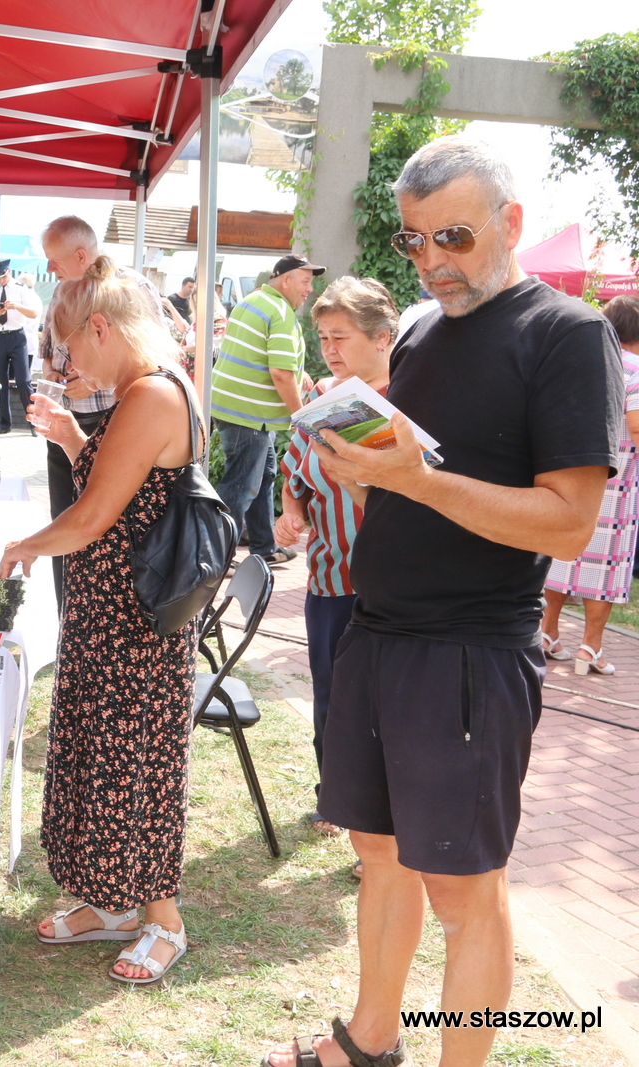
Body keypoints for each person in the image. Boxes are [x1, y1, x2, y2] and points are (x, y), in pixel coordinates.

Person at [265, 137, 622, 1067]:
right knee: (379, 857)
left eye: (453, 236)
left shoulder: (567, 332)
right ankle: (369, 1040)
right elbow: (415, 469)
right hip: (378, 635)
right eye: (414, 239)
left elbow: (569, 524)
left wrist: (414, 484)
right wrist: (356, 470)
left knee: (465, 890)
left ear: (508, 223)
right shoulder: (420, 328)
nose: (431, 260)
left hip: (469, 655)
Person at [0, 255, 198, 986]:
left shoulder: (151, 393)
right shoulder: (141, 389)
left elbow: (91, 519)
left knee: (133, 767)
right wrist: (69, 437)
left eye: (70, 344)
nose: (65, 359)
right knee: (100, 762)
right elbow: (112, 486)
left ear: (104, 328)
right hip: (111, 617)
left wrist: (25, 546)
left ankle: (163, 921)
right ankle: (111, 905)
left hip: (136, 627)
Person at [272, 277, 398, 842]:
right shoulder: (322, 405)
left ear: (383, 338)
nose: (330, 349)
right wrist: (290, 510)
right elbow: (292, 475)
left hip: (392, 588)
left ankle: (376, 823)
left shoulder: (407, 409)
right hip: (329, 577)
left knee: (382, 706)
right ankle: (335, 796)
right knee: (330, 692)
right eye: (322, 337)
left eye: (341, 336)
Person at [542, 294, 639, 675]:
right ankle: (590, 648)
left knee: (561, 557)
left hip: (568, 478)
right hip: (615, 487)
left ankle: (547, 632)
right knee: (606, 567)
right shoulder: (634, 369)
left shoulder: (580, 360)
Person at [210, 253, 322, 565]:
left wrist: (299, 374)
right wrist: (302, 416)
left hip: (233, 406)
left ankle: (263, 547)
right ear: (285, 280)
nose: (309, 289)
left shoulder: (253, 301)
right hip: (251, 415)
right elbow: (281, 373)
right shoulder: (282, 312)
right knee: (241, 485)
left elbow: (268, 358)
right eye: (305, 281)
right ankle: (215, 556)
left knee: (264, 475)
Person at [37, 217, 115, 611]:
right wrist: (52, 372)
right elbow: (50, 349)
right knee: (63, 523)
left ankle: (90, 616)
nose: (50, 268)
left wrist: (98, 380)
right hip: (64, 425)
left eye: (54, 260)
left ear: (81, 255)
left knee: (96, 533)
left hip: (109, 425)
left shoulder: (125, 291)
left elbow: (155, 361)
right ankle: (66, 617)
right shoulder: (61, 293)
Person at [0, 258, 39, 433]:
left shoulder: (21, 289)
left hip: (17, 336)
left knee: (24, 380)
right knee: (0, 381)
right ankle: (4, 424)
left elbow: (34, 313)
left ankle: (33, 423)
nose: (0, 280)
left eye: (3, 277)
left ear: (9, 272)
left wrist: (17, 306)